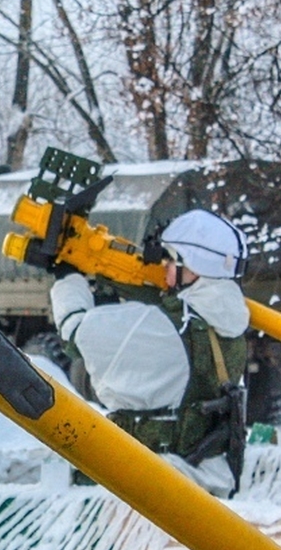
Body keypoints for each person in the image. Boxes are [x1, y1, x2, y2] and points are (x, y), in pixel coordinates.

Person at [48, 210, 250, 497]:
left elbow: (74, 333)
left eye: (170, 261)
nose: (164, 269)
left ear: (191, 267)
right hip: (211, 476)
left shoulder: (166, 325)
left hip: (155, 483)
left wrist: (68, 278)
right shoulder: (231, 323)